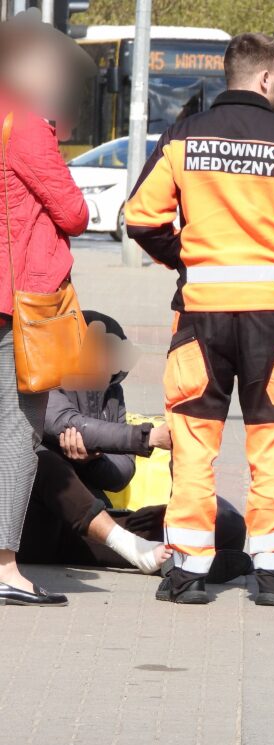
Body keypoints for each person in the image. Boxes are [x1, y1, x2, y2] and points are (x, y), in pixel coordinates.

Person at [125, 33, 274, 606]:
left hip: (200, 314)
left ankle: (189, 572)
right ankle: (271, 574)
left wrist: (186, 259)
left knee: (193, 439)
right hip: (271, 317)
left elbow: (141, 218)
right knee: (273, 440)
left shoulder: (182, 138)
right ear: (265, 79)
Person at [18, 311, 250, 579]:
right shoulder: (45, 383)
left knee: (224, 523)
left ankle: (187, 560)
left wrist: (92, 462)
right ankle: (140, 550)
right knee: (44, 462)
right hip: (34, 526)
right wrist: (149, 437)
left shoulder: (112, 394)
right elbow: (64, 422)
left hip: (92, 522)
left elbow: (122, 473)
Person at [0, 10, 93, 607]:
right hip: (16, 306)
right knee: (14, 428)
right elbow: (75, 213)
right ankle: (6, 565)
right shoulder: (22, 126)